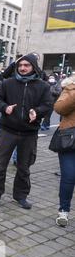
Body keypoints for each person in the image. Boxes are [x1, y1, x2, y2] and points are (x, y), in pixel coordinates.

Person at [0, 54, 53, 209]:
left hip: (29, 133)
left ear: (33, 67)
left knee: (24, 167)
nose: (23, 68)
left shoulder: (43, 86)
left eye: (27, 65)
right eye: (20, 65)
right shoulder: (8, 83)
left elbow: (48, 105)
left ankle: (21, 196)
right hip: (7, 131)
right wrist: (5, 108)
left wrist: (37, 112)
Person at [54, 76, 75, 227]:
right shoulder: (70, 87)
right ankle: (64, 210)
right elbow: (59, 108)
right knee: (69, 176)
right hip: (70, 139)